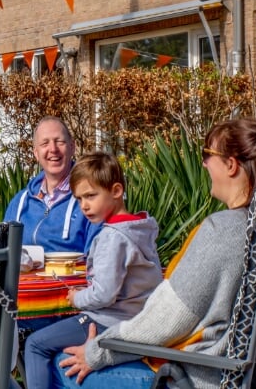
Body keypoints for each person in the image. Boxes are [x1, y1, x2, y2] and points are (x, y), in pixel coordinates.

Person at [55, 117, 256, 389]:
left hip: (198, 376)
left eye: (207, 155)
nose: (203, 164)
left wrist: (97, 351)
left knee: (60, 363)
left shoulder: (224, 230)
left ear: (231, 165)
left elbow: (166, 322)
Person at [23, 152, 162, 389]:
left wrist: (78, 297)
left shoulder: (112, 237)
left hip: (111, 320)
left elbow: (104, 294)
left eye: (91, 196)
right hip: (137, 318)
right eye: (78, 199)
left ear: (116, 191)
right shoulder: (139, 228)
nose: (84, 206)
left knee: (35, 344)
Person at [4, 117, 103, 255]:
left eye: (60, 141)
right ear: (36, 154)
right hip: (24, 277)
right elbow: (5, 254)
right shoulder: (19, 202)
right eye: (45, 143)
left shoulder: (91, 198)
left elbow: (97, 260)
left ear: (72, 147)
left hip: (71, 276)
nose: (53, 149)